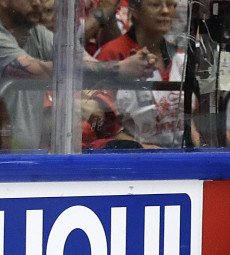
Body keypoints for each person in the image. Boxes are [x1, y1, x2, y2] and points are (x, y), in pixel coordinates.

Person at [0, 0, 156, 151]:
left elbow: (84, 63)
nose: (37, 3)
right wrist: (119, 68)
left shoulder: (36, 33)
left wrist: (132, 64)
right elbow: (38, 70)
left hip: (24, 155)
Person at [95, 0, 189, 148]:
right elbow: (101, 127)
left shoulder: (181, 57)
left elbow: (192, 119)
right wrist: (149, 151)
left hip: (180, 157)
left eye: (170, 4)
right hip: (132, 157)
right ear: (135, 11)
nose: (165, 11)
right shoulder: (112, 54)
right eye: (155, 5)